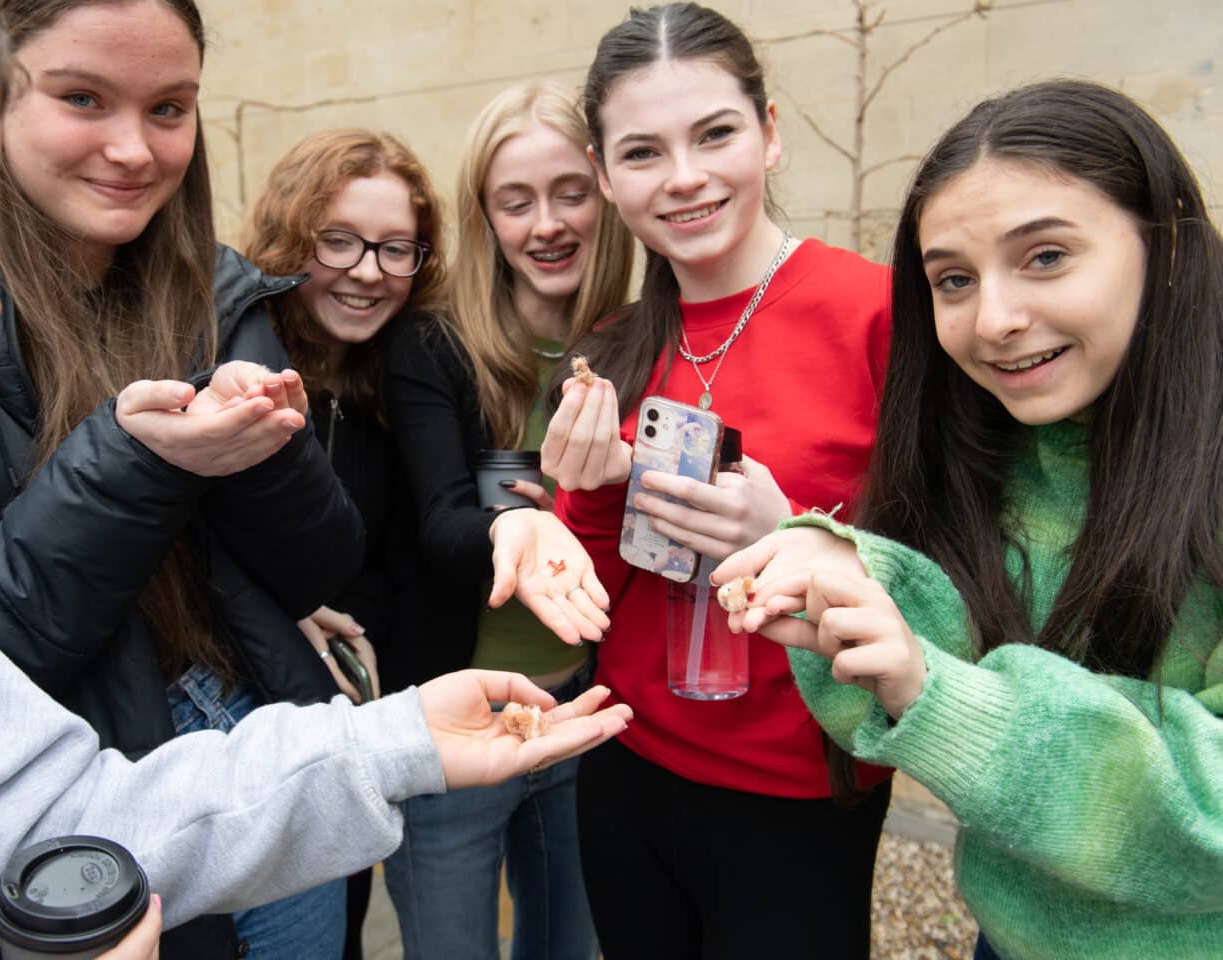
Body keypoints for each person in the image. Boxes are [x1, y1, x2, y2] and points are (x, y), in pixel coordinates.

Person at [0, 4, 633, 954]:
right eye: (82, 98)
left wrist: (263, 450)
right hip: (123, 797)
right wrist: (141, 462)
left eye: (170, 109)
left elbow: (324, 559)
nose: (133, 149)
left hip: (261, 737)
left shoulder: (223, 296)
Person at [716, 79, 1223, 960]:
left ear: (1168, 245)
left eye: (1046, 257)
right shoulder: (989, 442)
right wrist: (847, 569)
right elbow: (953, 615)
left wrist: (949, 700)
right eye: (953, 278)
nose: (994, 320)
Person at [540, 5, 893, 957]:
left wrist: (802, 530)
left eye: (716, 134)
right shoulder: (611, 350)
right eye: (644, 152)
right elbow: (589, 604)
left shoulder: (877, 314)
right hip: (626, 768)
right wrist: (602, 489)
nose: (686, 177)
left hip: (797, 792)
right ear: (606, 176)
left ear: (769, 133)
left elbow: (954, 569)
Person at [380, 82, 633, 958]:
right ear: (484, 216)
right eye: (515, 202)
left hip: (579, 710)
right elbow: (442, 523)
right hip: (460, 720)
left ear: (606, 192)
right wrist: (515, 531)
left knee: (570, 945)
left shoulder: (640, 339)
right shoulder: (433, 346)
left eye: (569, 192)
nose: (547, 224)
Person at [242, 127, 448, 960]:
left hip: (349, 732)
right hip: (235, 731)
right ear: (293, 236)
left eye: (394, 248)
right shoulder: (229, 355)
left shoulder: (401, 376)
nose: (367, 270)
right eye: (340, 241)